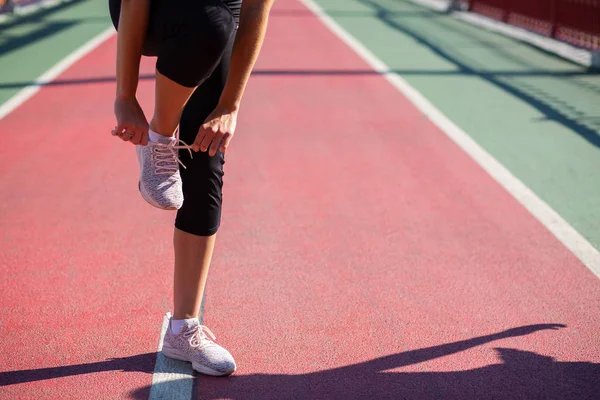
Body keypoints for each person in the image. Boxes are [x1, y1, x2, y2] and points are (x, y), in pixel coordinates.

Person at [108, 0, 274, 376]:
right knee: (209, 21)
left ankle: (183, 330)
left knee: (207, 156)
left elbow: (254, 12)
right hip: (150, 12)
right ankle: (160, 138)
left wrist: (229, 105)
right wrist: (125, 97)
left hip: (216, 21)